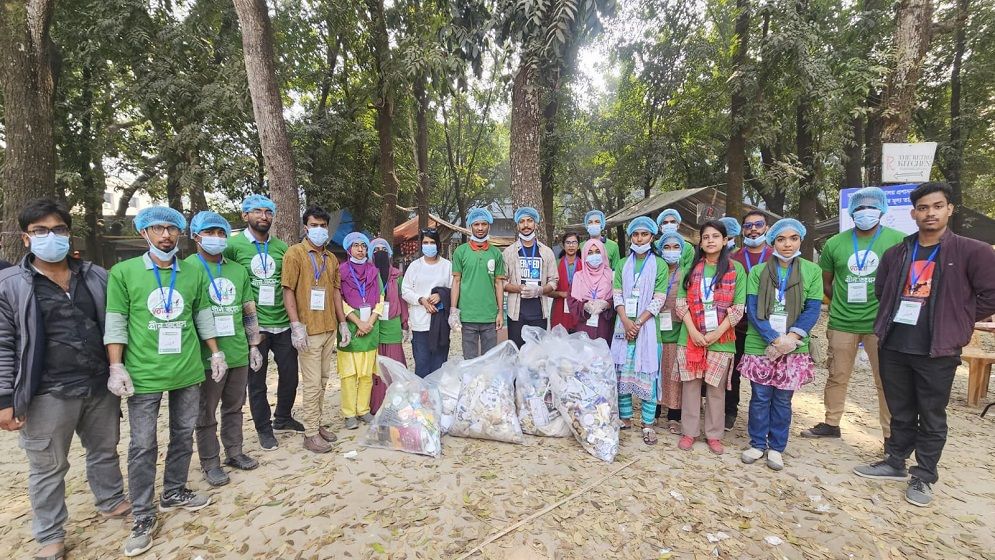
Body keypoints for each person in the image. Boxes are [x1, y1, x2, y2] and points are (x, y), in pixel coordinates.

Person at [0, 199, 129, 560]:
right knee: (47, 466)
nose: (50, 237)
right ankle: (50, 535)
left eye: (57, 229)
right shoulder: (11, 284)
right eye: (40, 231)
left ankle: (111, 500)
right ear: (26, 238)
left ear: (68, 233)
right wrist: (4, 399)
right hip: (46, 392)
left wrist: (119, 368)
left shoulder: (94, 275)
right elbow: (3, 343)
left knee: (104, 450)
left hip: (98, 383)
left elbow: (115, 323)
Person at [854, 182, 995, 507]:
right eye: (923, 207)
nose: (930, 213)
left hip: (938, 348)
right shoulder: (898, 252)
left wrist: (957, 316)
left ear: (949, 209)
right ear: (913, 213)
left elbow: (989, 295)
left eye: (937, 206)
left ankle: (924, 476)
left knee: (931, 414)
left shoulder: (971, 251)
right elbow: (882, 290)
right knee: (900, 409)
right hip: (895, 343)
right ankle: (894, 461)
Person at [104, 206, 223, 556]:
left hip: (187, 369)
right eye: (157, 228)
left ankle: (174, 491)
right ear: (144, 232)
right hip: (144, 374)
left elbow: (202, 316)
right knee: (142, 444)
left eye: (172, 228)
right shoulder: (123, 273)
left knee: (183, 433)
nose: (166, 235)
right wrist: (116, 366)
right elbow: (116, 321)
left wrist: (215, 353)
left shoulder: (190, 272)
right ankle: (142, 513)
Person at [801, 187, 904, 443]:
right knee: (837, 374)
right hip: (842, 321)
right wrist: (840, 301)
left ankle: (891, 436)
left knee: (886, 380)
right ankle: (831, 423)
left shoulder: (898, 240)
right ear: (852, 211)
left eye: (871, 207)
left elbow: (904, 281)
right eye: (859, 208)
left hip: (881, 324)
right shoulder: (835, 243)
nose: (865, 212)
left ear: (881, 209)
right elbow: (827, 282)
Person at [186, 211, 263, 485]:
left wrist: (254, 344)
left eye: (221, 233)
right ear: (196, 236)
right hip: (206, 356)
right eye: (210, 233)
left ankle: (234, 451)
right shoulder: (187, 268)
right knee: (206, 411)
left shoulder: (237, 269)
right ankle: (209, 462)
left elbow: (248, 309)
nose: (217, 238)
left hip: (237, 350)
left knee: (234, 405)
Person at [738, 219, 823, 471]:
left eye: (793, 238)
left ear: (800, 240)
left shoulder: (812, 271)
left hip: (795, 345)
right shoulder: (758, 272)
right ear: (772, 241)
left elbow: (813, 308)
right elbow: (753, 310)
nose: (787, 244)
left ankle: (776, 447)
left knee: (784, 400)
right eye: (781, 239)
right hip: (761, 342)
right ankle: (756, 443)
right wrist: (775, 339)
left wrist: (792, 338)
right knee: (760, 397)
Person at [224, 194, 302, 451]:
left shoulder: (282, 247)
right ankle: (264, 429)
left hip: (282, 322)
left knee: (290, 376)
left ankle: (283, 417)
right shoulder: (233, 247)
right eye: (257, 211)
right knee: (256, 382)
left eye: (268, 212)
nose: (263, 216)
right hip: (254, 327)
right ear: (245, 215)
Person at [673, 220, 747, 455]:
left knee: (716, 390)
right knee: (691, 388)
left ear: (725, 240)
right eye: (706, 237)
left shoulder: (736, 270)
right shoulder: (691, 269)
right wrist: (694, 332)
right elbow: (680, 304)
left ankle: (714, 435)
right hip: (690, 337)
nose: (711, 240)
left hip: (722, 339)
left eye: (716, 236)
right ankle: (689, 432)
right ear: (701, 242)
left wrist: (716, 333)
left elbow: (738, 307)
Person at [281, 206, 347, 453]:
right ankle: (309, 434)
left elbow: (336, 292)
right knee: (311, 384)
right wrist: (295, 325)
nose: (319, 230)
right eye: (314, 225)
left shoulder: (330, 258)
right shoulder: (295, 253)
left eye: (323, 226)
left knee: (322, 381)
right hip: (307, 330)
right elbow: (288, 290)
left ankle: (316, 425)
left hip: (329, 326)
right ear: (305, 227)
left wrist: (342, 323)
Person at [611, 217, 668, 446]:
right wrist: (625, 320)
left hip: (648, 331)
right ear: (631, 237)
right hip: (623, 327)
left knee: (647, 377)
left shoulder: (660, 264)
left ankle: (647, 424)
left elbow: (659, 298)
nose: (639, 238)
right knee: (622, 373)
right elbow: (617, 294)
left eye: (644, 234)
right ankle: (625, 419)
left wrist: (638, 323)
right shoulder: (623, 263)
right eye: (635, 235)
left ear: (652, 237)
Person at [726, 211, 771, 430]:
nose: (753, 229)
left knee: (762, 373)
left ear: (767, 228)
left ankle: (760, 417)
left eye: (758, 224)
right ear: (742, 230)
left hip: (765, 327)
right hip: (737, 325)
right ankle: (730, 410)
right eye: (748, 225)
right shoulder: (734, 258)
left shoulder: (775, 256)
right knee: (732, 370)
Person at [337, 233, 384, 430]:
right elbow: (338, 300)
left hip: (371, 328)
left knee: (366, 374)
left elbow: (381, 298)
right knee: (349, 374)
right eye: (355, 246)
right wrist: (357, 322)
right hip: (350, 327)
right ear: (348, 249)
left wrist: (369, 323)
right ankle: (349, 413)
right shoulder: (341, 271)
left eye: (363, 246)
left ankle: (363, 410)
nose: (360, 249)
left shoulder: (374, 271)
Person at [450, 208, 506, 358]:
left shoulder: (496, 253)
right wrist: (453, 311)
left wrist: (500, 312)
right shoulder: (460, 252)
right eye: (476, 224)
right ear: (470, 226)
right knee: (470, 360)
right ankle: (471, 383)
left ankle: (486, 383)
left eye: (483, 224)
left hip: (489, 316)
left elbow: (498, 284)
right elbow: (456, 282)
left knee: (490, 360)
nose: (480, 228)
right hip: (467, 316)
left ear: (489, 226)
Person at [503, 207, 558, 347]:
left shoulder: (546, 252)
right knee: (517, 354)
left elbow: (554, 281)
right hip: (516, 314)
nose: (526, 225)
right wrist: (517, 288)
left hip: (539, 313)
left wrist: (539, 290)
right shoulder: (509, 252)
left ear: (536, 224)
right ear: (517, 225)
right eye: (522, 221)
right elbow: (501, 282)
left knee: (537, 357)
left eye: (529, 221)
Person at [402, 229, 453, 377]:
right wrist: (421, 300)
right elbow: (405, 290)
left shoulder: (447, 266)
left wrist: (441, 296)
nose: (429, 245)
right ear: (421, 245)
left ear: (437, 244)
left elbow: (455, 289)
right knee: (422, 363)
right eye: (425, 242)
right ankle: (423, 398)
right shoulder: (414, 266)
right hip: (420, 323)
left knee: (439, 364)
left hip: (441, 322)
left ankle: (437, 397)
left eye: (432, 242)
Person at [371, 237, 408, 412]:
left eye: (383, 249)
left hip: (393, 325)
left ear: (389, 253)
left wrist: (405, 324)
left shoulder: (397, 275)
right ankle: (377, 403)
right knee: (376, 368)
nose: (380, 252)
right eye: (376, 249)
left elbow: (402, 300)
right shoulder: (368, 274)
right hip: (374, 325)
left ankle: (397, 402)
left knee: (394, 364)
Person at [657, 232, 686, 436]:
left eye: (676, 247)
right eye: (667, 247)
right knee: (656, 373)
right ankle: (655, 411)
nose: (671, 251)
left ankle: (674, 415)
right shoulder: (656, 269)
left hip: (678, 331)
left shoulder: (687, 273)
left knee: (675, 374)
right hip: (655, 332)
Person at [567, 238, 615, 342]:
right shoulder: (578, 277)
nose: (594, 255)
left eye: (598, 252)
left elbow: (618, 300)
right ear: (584, 256)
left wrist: (607, 304)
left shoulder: (611, 276)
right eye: (590, 253)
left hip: (604, 327)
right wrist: (584, 305)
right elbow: (571, 301)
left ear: (603, 253)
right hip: (584, 326)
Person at [551, 231, 582, 332]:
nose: (571, 245)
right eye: (568, 243)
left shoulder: (584, 265)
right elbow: (547, 290)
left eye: (574, 242)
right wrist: (561, 293)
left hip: (579, 309)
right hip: (559, 307)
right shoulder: (556, 263)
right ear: (563, 245)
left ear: (578, 246)